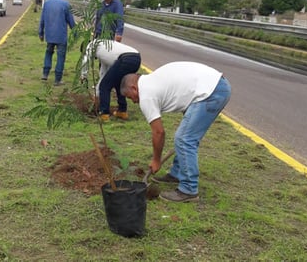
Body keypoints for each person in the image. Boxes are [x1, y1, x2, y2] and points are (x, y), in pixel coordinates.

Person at [120, 62, 231, 202]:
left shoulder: (146, 94)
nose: (134, 102)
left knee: (184, 138)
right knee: (185, 136)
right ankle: (177, 173)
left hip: (211, 92)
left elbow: (159, 132)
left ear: (133, 87)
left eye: (131, 97)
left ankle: (189, 190)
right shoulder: (151, 81)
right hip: (216, 85)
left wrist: (156, 160)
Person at [81, 40, 141, 121]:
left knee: (105, 86)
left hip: (126, 59)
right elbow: (104, 73)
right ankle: (122, 111)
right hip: (136, 58)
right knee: (119, 84)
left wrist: (83, 75)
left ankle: (104, 114)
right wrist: (97, 95)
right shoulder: (104, 49)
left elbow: (85, 60)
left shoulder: (91, 45)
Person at [38, 0, 75, 85]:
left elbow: (42, 19)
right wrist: (75, 33)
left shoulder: (47, 3)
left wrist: (41, 32)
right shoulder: (66, 4)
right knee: (60, 56)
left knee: (49, 52)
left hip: (49, 35)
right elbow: (71, 21)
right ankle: (57, 79)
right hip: (61, 36)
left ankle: (45, 74)